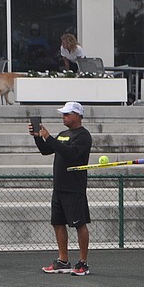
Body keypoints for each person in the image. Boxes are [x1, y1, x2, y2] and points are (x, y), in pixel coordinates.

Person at [30, 102, 92, 276]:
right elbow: (46, 150)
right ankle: (63, 261)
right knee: (57, 223)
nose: (63, 117)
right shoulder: (63, 134)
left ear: (78, 115)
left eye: (67, 114)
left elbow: (71, 153)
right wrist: (37, 136)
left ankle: (83, 262)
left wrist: (49, 137)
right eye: (63, 114)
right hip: (59, 187)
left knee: (80, 224)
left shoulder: (84, 136)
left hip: (74, 188)